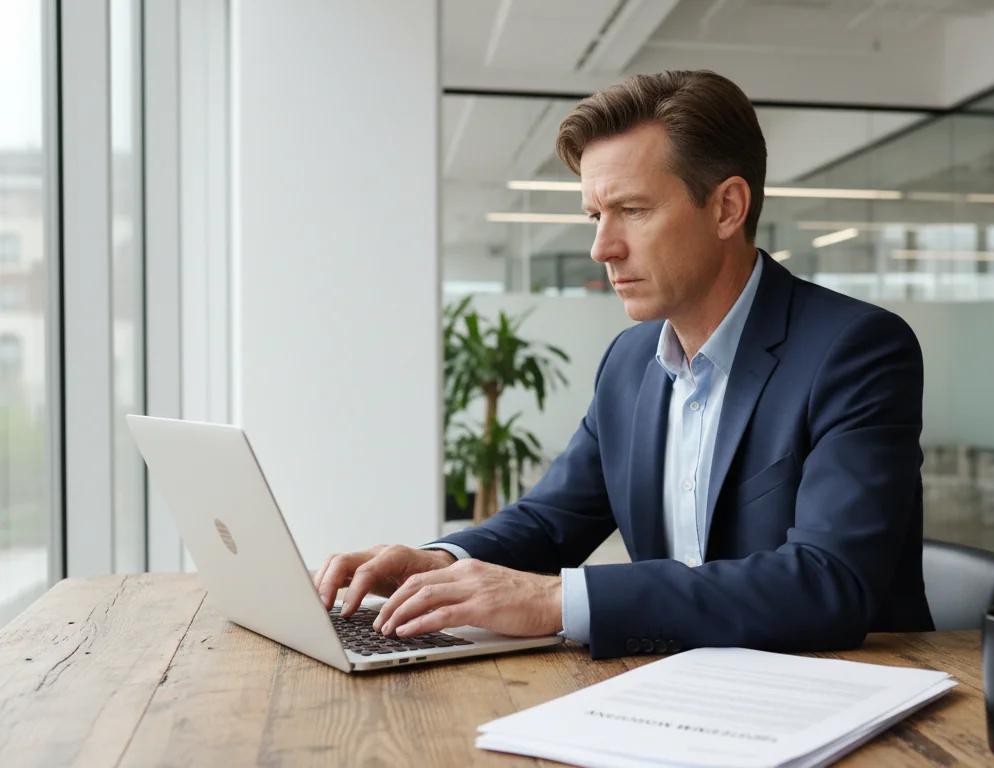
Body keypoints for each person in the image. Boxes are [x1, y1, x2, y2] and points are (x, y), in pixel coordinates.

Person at [313, 70, 933, 659]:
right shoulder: (631, 360)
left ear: (726, 208)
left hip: (849, 698)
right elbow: (553, 520)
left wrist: (557, 600)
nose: (601, 248)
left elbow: (829, 582)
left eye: (632, 210)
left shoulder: (856, 349)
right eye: (595, 215)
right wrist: (442, 562)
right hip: (677, 688)